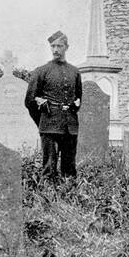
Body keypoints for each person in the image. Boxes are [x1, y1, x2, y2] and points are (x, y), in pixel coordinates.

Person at [24, 30, 82, 182]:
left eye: (59, 46)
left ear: (66, 47)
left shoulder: (75, 72)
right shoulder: (41, 71)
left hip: (70, 125)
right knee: (49, 166)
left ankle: (69, 196)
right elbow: (30, 101)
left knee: (69, 167)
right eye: (53, 46)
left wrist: (74, 107)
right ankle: (47, 198)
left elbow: (78, 98)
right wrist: (43, 120)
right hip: (49, 123)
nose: (56, 49)